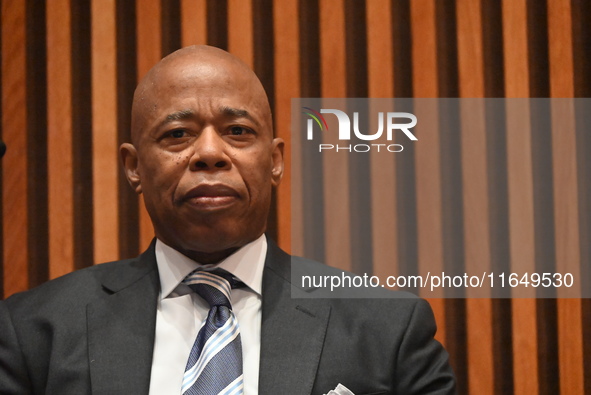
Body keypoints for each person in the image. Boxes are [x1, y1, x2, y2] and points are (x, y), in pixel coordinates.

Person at [0, 45, 456, 394]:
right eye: (178, 134)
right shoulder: (33, 332)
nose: (211, 154)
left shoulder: (387, 328)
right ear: (134, 167)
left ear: (275, 160)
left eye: (238, 132)